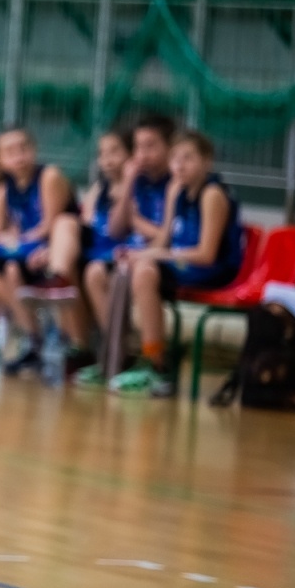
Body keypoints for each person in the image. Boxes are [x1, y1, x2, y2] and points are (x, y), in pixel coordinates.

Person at [108, 129, 243, 399]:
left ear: (207, 161)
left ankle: (156, 366)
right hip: (184, 264)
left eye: (188, 158)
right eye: (176, 159)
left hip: (212, 270)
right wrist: (138, 252)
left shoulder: (212, 194)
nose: (179, 166)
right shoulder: (175, 190)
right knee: (132, 266)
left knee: (146, 272)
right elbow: (163, 241)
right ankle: (124, 356)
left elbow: (207, 254)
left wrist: (153, 257)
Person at [0, 126, 89, 374]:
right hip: (29, 252)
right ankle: (32, 341)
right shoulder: (2, 190)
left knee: (49, 265)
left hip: (62, 248)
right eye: (10, 151)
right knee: (2, 268)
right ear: (0, 159)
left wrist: (18, 238)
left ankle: (74, 343)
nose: (18, 155)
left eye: (23, 148)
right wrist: (8, 237)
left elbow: (52, 224)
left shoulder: (49, 177)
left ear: (34, 149)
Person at [66, 129, 134, 387]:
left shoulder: (135, 189)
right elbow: (85, 224)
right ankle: (81, 348)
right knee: (67, 271)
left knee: (93, 273)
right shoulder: (99, 188)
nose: (107, 159)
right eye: (102, 153)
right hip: (96, 254)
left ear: (131, 155)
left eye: (115, 151)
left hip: (118, 257)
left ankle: (117, 354)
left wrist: (127, 185)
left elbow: (119, 228)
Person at [108, 112, 174, 249]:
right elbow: (115, 231)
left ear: (170, 147)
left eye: (150, 146)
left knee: (143, 269)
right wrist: (127, 183)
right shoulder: (136, 180)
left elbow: (171, 239)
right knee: (95, 268)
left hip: (160, 259)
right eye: (138, 146)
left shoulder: (177, 184)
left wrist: (134, 220)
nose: (142, 154)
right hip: (131, 252)